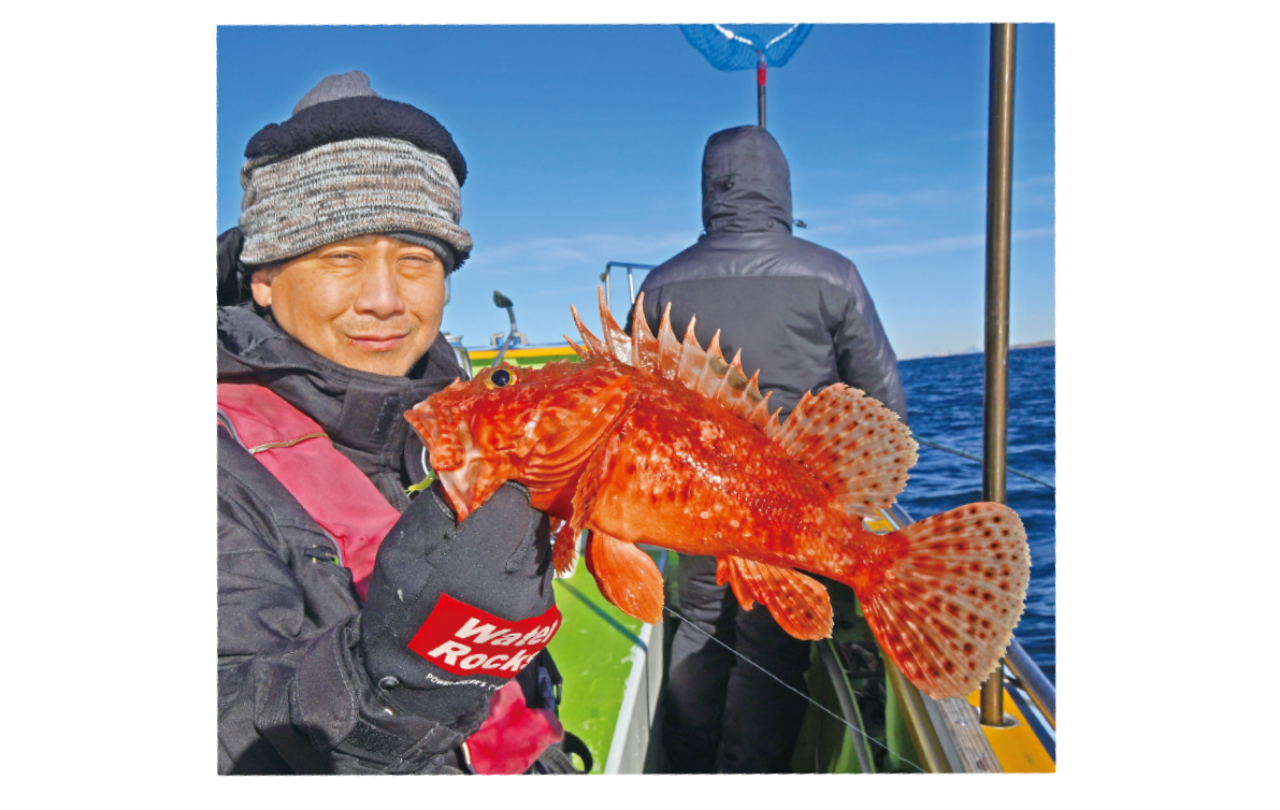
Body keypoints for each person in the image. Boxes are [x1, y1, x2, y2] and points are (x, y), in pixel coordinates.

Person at [216, 72, 582, 775]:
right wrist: (396, 676)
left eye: (416, 259)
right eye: (341, 256)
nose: (384, 299)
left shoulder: (461, 420)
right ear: (264, 277)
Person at [629, 125, 908, 773]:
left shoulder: (659, 286)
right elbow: (884, 405)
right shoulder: (832, 273)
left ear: (709, 190)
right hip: (796, 502)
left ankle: (690, 762)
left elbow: (639, 406)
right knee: (772, 637)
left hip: (697, 497)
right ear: (780, 187)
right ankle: (749, 772)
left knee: (702, 619)